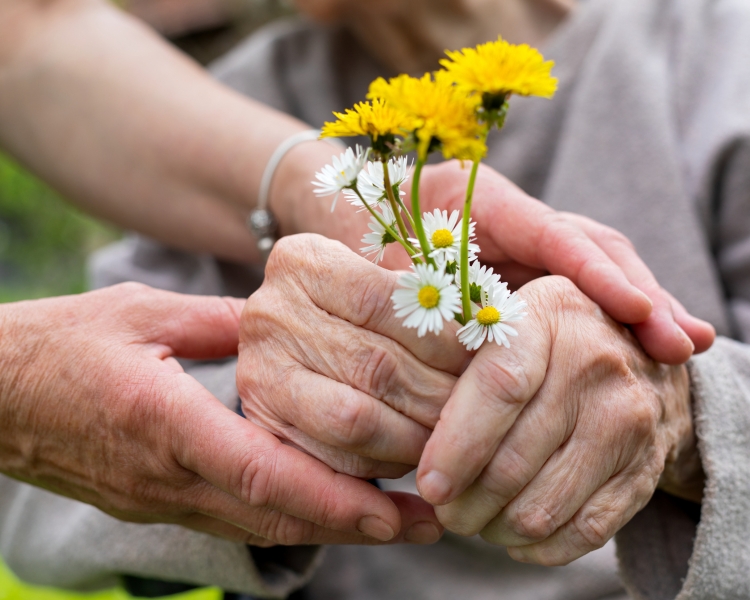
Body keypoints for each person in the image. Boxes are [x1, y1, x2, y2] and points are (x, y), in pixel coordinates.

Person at [29, 0, 745, 598]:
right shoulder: (220, 106)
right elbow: (47, 493)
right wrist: (266, 419)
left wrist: (686, 417)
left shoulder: (715, 52)